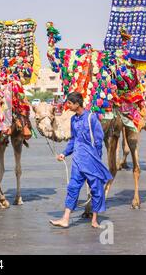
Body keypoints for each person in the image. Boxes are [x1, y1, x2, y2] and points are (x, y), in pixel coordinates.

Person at [50, 92, 113, 228]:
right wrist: (64, 153)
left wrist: (97, 160)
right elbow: (73, 140)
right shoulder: (73, 120)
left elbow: (98, 140)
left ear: (77, 104)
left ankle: (94, 220)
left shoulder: (91, 118)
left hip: (91, 160)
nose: (68, 106)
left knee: (96, 190)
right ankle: (65, 219)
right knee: (72, 188)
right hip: (77, 160)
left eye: (70, 103)